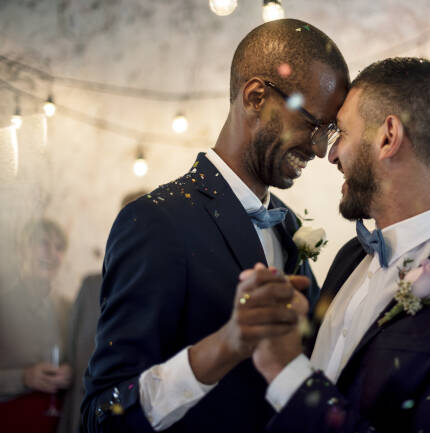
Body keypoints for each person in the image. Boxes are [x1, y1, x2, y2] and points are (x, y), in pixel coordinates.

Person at [241, 57, 430, 433]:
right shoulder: (352, 256)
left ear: (388, 137)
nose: (331, 154)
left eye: (343, 135)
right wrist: (288, 330)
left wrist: (288, 372)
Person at [81, 19, 349, 433]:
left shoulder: (289, 226)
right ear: (256, 96)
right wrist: (222, 347)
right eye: (312, 124)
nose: (318, 149)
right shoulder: (156, 222)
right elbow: (101, 415)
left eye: (327, 133)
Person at [57, 191, 145, 433]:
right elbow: (69, 358)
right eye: (128, 218)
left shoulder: (163, 292)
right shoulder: (90, 287)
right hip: (80, 419)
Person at [0, 218, 72, 433]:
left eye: (59, 247)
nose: (52, 253)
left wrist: (71, 373)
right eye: (43, 243)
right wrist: (23, 377)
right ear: (23, 249)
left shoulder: (69, 309)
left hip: (56, 424)